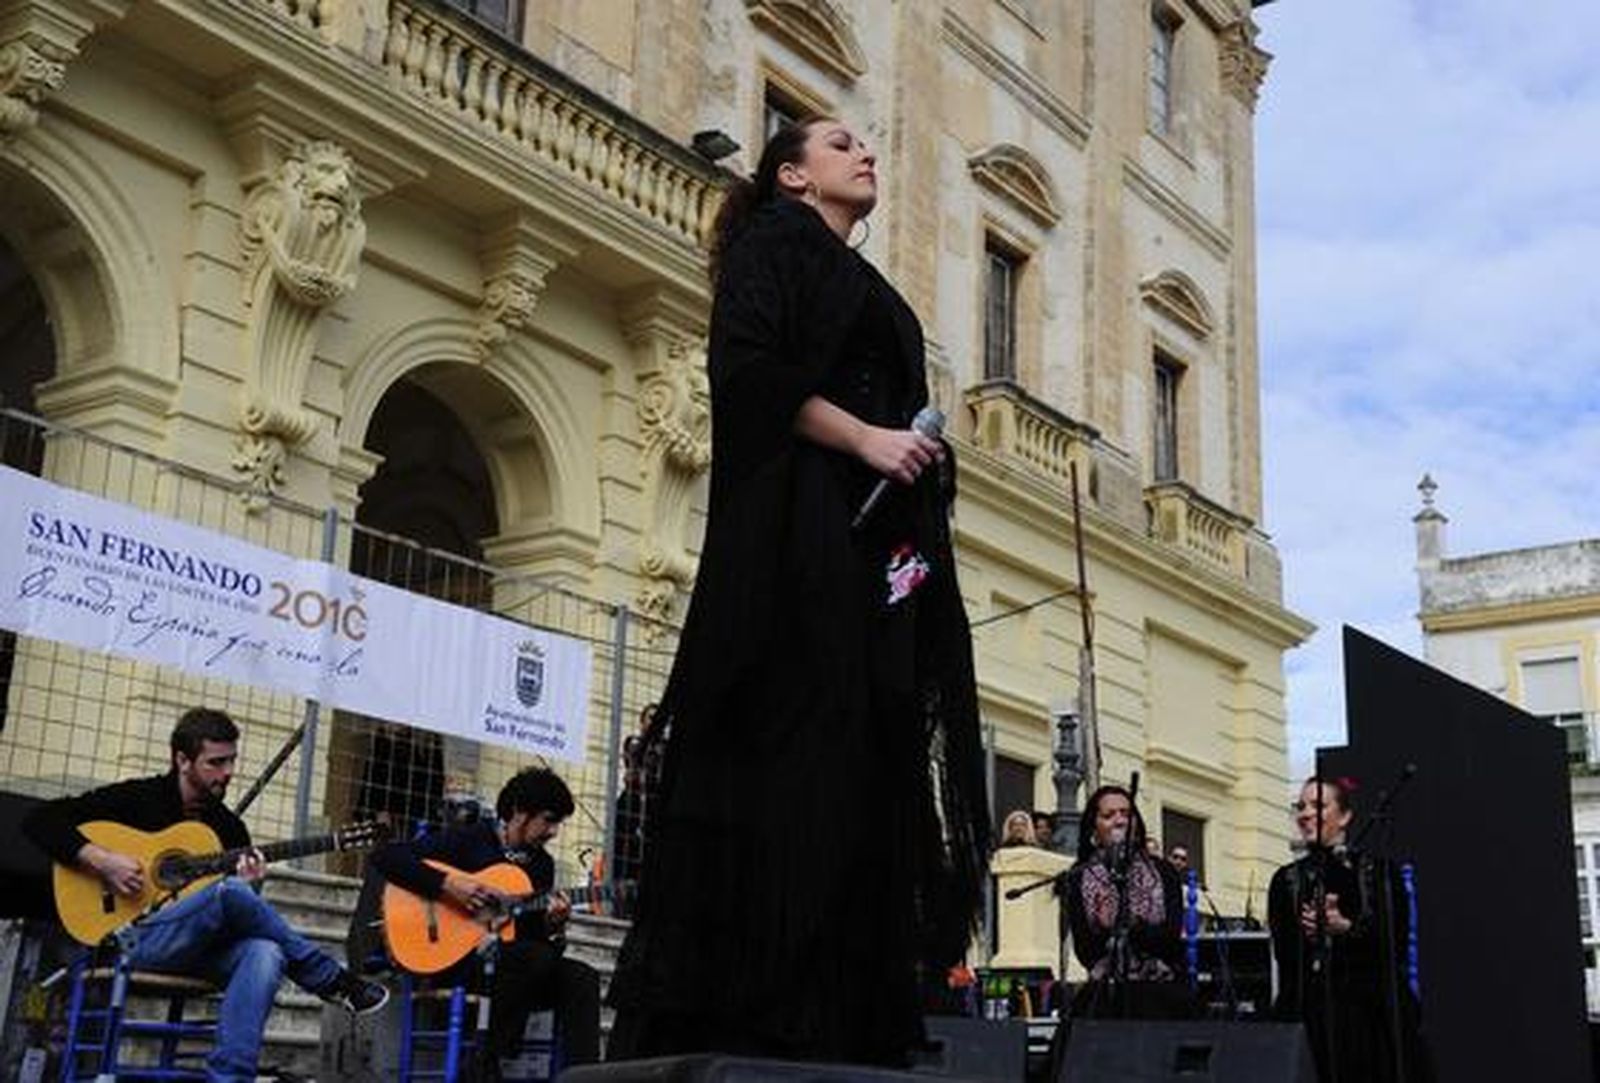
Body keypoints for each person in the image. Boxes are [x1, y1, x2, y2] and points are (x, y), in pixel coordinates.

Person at [606, 115, 990, 1067]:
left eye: (868, 143)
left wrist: (914, 459)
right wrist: (866, 439)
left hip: (877, 555)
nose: (867, 153)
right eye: (840, 144)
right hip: (798, 532)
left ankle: (842, 1016)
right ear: (791, 175)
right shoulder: (772, 246)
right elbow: (749, 375)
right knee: (792, 741)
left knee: (866, 751)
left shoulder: (875, 289)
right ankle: (751, 1011)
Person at [22, 707, 387, 1083]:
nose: (227, 772)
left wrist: (251, 884)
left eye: (231, 761)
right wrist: (101, 860)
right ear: (182, 760)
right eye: (216, 762)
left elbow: (240, 914)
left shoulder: (229, 829)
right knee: (227, 892)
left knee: (267, 951)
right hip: (131, 939)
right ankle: (331, 980)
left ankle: (230, 1077)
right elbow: (39, 820)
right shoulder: (137, 798)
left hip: (198, 950)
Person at [371, 766, 600, 1076]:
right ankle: (484, 1064)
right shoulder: (472, 839)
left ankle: (584, 1077)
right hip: (455, 959)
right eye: (549, 819)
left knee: (582, 977)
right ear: (520, 812)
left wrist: (554, 928)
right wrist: (449, 885)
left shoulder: (541, 866)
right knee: (532, 960)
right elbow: (386, 857)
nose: (554, 831)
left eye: (558, 822)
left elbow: (534, 943)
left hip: (512, 968)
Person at [1269, 777, 1430, 1083]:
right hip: (1311, 1015)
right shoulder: (1286, 879)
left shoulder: (1377, 871)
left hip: (1369, 1017)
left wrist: (1345, 928)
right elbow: (1285, 956)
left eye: (1318, 805)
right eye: (1301, 806)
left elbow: (1394, 941)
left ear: (1344, 816)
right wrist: (1311, 934)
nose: (1305, 813)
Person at [1059, 785, 1190, 1020]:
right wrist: (1107, 929)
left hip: (1160, 990)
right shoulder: (1079, 876)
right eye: (1108, 816)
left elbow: (1171, 938)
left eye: (1126, 814)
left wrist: (1130, 926)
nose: (1119, 821)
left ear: (1137, 824)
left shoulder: (1164, 871)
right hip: (1105, 993)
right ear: (1094, 829)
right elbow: (1086, 952)